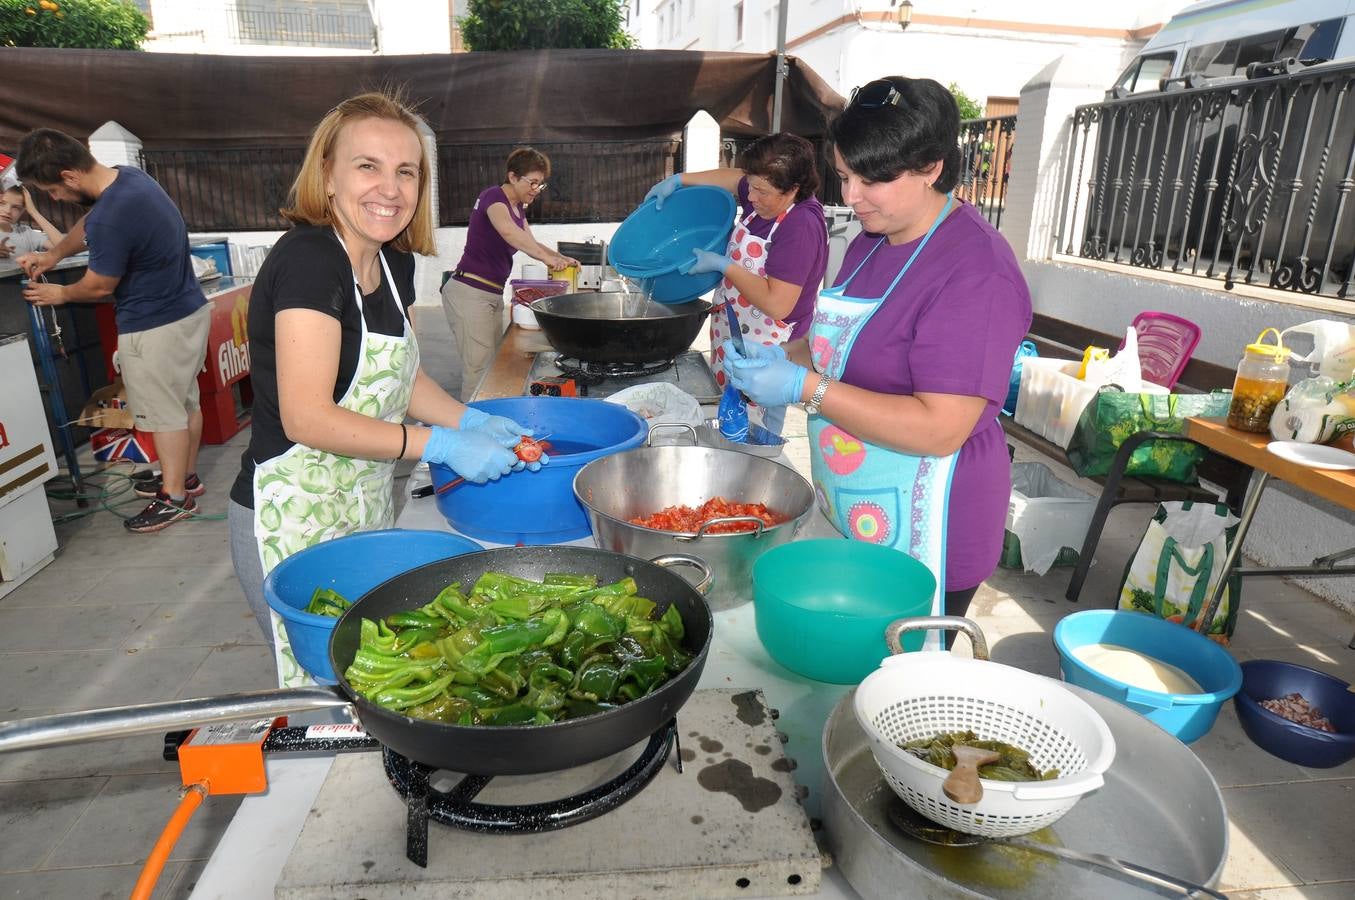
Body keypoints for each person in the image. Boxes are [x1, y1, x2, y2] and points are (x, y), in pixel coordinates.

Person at [225, 91, 546, 679]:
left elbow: (401, 374)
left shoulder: (392, 261)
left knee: (375, 674)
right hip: (291, 518)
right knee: (326, 691)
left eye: (406, 171)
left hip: (363, 506)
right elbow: (308, 418)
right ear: (326, 175)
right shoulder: (309, 261)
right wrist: (440, 446)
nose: (390, 189)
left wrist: (466, 420)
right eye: (366, 166)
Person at [722, 77, 1032, 642]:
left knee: (895, 671)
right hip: (857, 498)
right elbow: (839, 346)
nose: (852, 196)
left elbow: (941, 428)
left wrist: (803, 388)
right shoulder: (872, 239)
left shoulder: (975, 271)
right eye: (844, 176)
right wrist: (782, 355)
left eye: (873, 179)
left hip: (931, 522)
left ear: (932, 167)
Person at [16, 128, 213, 533]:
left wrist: (60, 293)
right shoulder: (127, 179)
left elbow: (99, 285)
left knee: (163, 416)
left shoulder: (112, 216)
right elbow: (88, 224)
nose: (55, 200)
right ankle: (185, 476)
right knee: (183, 404)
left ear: (70, 177)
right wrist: (52, 254)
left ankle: (174, 498)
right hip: (186, 313)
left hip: (153, 327)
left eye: (52, 191)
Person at [644, 133, 828, 435]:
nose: (750, 196)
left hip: (770, 346)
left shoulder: (800, 226)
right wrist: (679, 180)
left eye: (761, 191)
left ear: (793, 189)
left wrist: (723, 265)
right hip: (734, 330)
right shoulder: (765, 199)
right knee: (726, 416)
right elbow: (734, 179)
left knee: (753, 435)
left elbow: (777, 304)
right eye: (752, 187)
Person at [442, 148, 579, 400]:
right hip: (469, 292)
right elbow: (509, 233)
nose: (536, 189)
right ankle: (471, 430)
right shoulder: (493, 197)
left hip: (490, 294)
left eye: (541, 184)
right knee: (477, 369)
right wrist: (548, 259)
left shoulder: (518, 208)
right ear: (513, 177)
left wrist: (560, 258)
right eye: (532, 182)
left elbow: (529, 241)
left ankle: (486, 420)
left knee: (490, 365)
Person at [0, 185, 62, 258]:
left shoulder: (25, 233)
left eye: (16, 207)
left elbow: (64, 247)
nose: (7, 211)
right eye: (2, 203)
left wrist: (33, 212)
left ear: (22, 211)